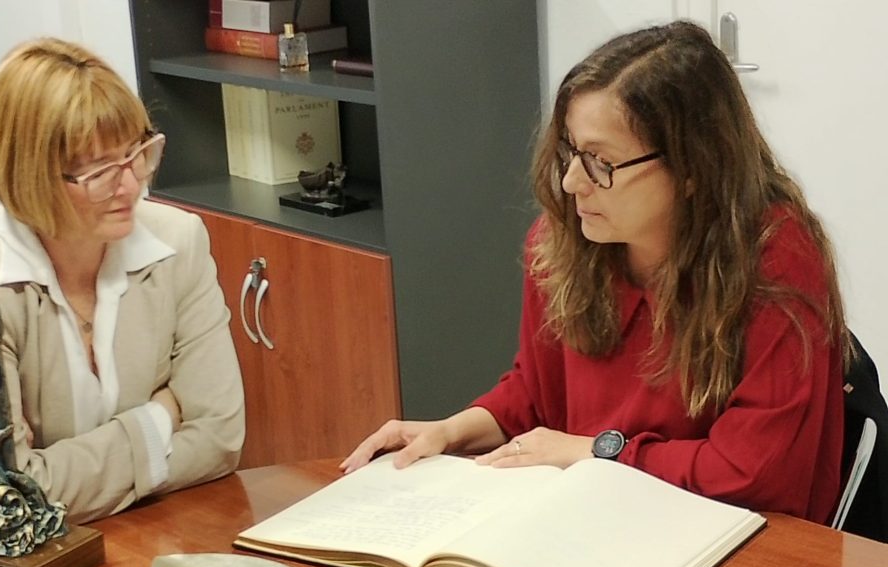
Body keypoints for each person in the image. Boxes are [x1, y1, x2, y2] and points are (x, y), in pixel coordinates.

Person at [342, 21, 848, 524]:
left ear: (694, 167)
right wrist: (451, 431)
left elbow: (752, 473)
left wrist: (594, 452)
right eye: (571, 151)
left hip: (730, 533)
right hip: (595, 515)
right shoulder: (561, 242)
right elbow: (538, 394)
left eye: (601, 162)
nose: (571, 182)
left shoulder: (775, 256)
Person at [0, 37, 245, 549]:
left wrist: (48, 471)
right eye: (100, 171)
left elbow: (220, 438)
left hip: (139, 535)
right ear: (28, 177)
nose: (130, 186)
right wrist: (159, 421)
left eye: (137, 154)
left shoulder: (178, 242)